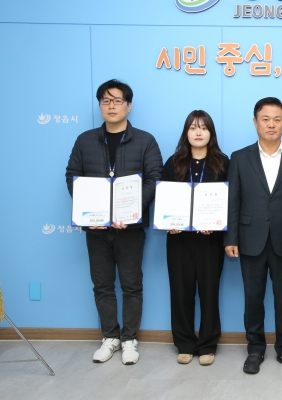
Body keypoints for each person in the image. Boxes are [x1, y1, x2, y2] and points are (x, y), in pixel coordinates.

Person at [65, 79, 163, 365]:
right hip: (96, 229)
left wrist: (130, 212)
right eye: (105, 101)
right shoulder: (85, 140)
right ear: (100, 105)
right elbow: (72, 176)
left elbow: (154, 178)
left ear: (128, 106)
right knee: (102, 285)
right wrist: (88, 213)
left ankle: (130, 338)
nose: (111, 106)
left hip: (129, 228)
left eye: (117, 100)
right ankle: (110, 337)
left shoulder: (145, 140)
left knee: (132, 285)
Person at [225, 97, 282, 375]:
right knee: (253, 297)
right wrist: (231, 238)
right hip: (250, 238)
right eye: (265, 119)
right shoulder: (240, 158)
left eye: (277, 119)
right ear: (255, 122)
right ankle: (255, 348)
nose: (271, 124)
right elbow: (233, 201)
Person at [160, 110, 229, 366]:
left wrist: (216, 224)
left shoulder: (223, 163)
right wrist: (169, 224)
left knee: (209, 292)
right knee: (181, 293)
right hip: (179, 240)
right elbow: (163, 199)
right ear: (186, 132)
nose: (198, 132)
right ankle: (185, 343)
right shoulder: (173, 162)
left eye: (203, 127)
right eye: (192, 127)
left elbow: (231, 200)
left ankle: (208, 344)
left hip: (210, 241)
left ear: (211, 132)